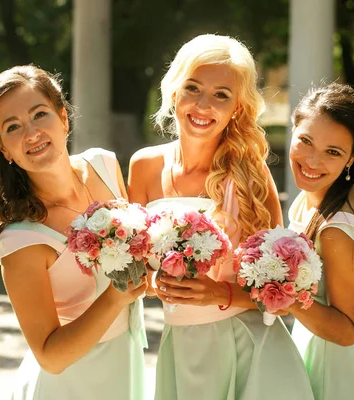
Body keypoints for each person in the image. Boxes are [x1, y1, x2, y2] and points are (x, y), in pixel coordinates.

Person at [128, 34, 313, 400]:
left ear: (238, 109)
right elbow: (138, 271)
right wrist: (156, 281)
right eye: (192, 88)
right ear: (174, 92)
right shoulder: (144, 166)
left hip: (244, 347)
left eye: (221, 95)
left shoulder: (250, 174)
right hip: (179, 344)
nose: (202, 105)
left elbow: (283, 288)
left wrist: (218, 292)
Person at [0, 65, 147, 399]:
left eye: (40, 114)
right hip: (67, 386)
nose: (31, 133)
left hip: (125, 367)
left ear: (64, 118)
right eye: (13, 127)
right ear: (5, 151)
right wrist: (115, 297)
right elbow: (50, 358)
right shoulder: (21, 238)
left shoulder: (105, 165)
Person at [280, 82, 354, 399]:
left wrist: (280, 293)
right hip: (316, 349)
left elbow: (346, 330)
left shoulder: (336, 231)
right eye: (305, 141)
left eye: (333, 152)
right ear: (293, 131)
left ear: (351, 159)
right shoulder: (334, 191)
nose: (312, 161)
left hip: (338, 374)